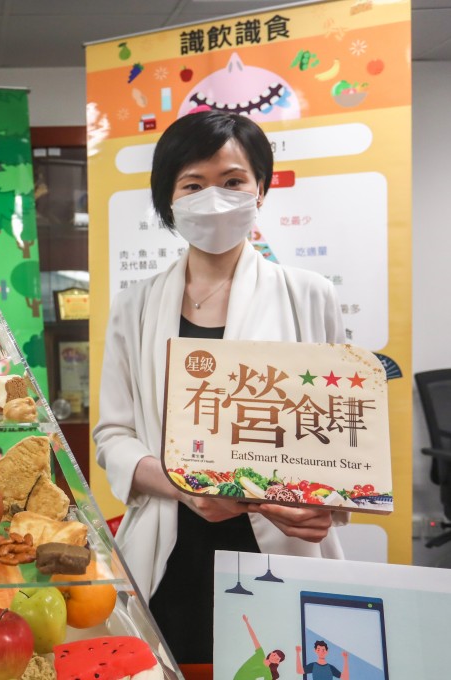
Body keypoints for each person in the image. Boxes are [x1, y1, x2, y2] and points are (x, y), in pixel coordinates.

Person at [92, 110, 345, 664]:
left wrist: (323, 503)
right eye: (193, 184)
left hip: (281, 543)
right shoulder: (135, 307)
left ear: (261, 189)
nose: (215, 198)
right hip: (171, 546)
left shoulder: (309, 296)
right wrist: (186, 488)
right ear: (169, 199)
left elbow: (336, 432)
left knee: (287, 662)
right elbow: (113, 435)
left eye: (233, 181)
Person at [233, 615, 285, 680]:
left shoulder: (267, 673)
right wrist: (247, 622)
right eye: (274, 655)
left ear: (277, 663)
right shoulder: (260, 654)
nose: (274, 658)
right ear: (271, 653)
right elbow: (254, 638)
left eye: (277, 659)